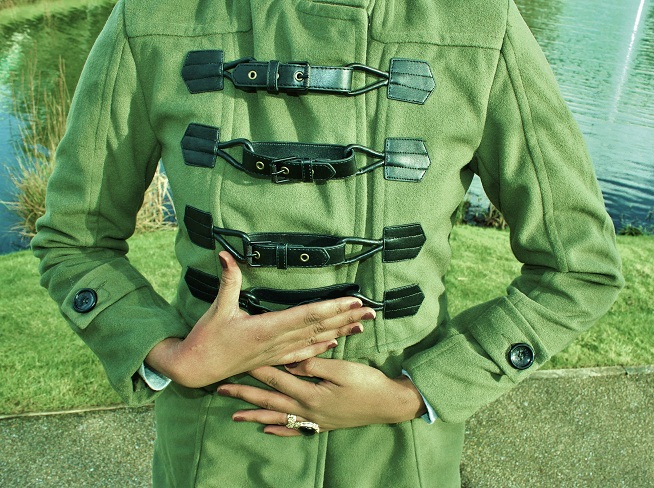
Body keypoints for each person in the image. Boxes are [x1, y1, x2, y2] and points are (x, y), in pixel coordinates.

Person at [32, 0, 624, 486]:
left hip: (398, 456)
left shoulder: (479, 23)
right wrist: (172, 356)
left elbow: (580, 265)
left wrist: (415, 394)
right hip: (214, 449)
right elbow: (74, 239)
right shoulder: (154, 16)